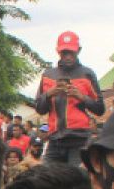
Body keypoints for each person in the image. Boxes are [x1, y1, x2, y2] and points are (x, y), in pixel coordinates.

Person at [34, 31, 105, 169]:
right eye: (64, 52)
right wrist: (49, 93)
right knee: (46, 180)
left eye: (71, 52)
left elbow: (100, 109)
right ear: (58, 52)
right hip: (55, 139)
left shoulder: (87, 74)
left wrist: (81, 97)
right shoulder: (48, 75)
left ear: (78, 50)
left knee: (77, 180)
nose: (67, 56)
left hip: (79, 139)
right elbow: (39, 108)